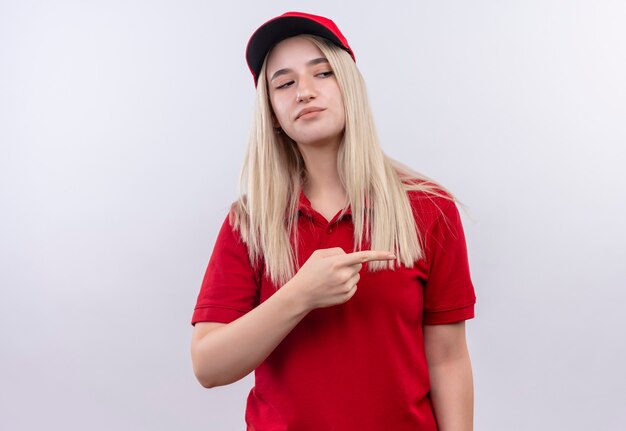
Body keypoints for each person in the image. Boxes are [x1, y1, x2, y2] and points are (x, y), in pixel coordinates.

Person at [191, 11, 476, 431]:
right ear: (271, 112)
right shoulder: (248, 223)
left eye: (322, 73)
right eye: (284, 83)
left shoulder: (430, 209)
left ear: (350, 88)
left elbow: (448, 359)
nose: (304, 92)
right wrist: (300, 295)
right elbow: (208, 366)